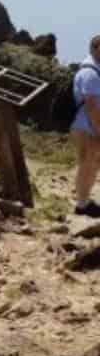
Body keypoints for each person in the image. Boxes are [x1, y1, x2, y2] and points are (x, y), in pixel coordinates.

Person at [75, 35, 100, 218]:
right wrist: (99, 130)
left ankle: (84, 202)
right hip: (86, 126)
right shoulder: (90, 72)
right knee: (87, 164)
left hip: (88, 125)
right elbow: (91, 105)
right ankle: (81, 205)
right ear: (95, 48)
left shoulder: (93, 71)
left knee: (91, 165)